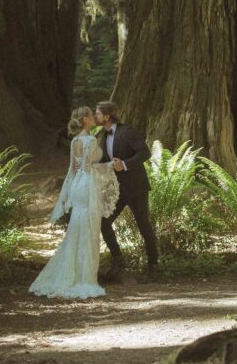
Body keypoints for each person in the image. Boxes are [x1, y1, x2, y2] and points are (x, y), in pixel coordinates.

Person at [29, 106, 119, 299]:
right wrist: (110, 165)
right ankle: (84, 278)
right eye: (90, 115)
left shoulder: (75, 141)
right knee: (88, 230)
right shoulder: (90, 140)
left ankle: (71, 273)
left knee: (77, 230)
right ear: (85, 120)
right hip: (87, 187)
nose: (94, 118)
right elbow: (89, 168)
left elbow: (73, 170)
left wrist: (67, 194)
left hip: (78, 186)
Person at [94, 101, 159, 280]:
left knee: (144, 227)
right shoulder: (103, 136)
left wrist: (124, 164)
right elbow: (105, 162)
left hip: (136, 188)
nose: (95, 116)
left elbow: (145, 152)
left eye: (98, 114)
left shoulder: (128, 132)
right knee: (103, 222)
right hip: (117, 191)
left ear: (107, 116)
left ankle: (153, 267)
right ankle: (118, 263)